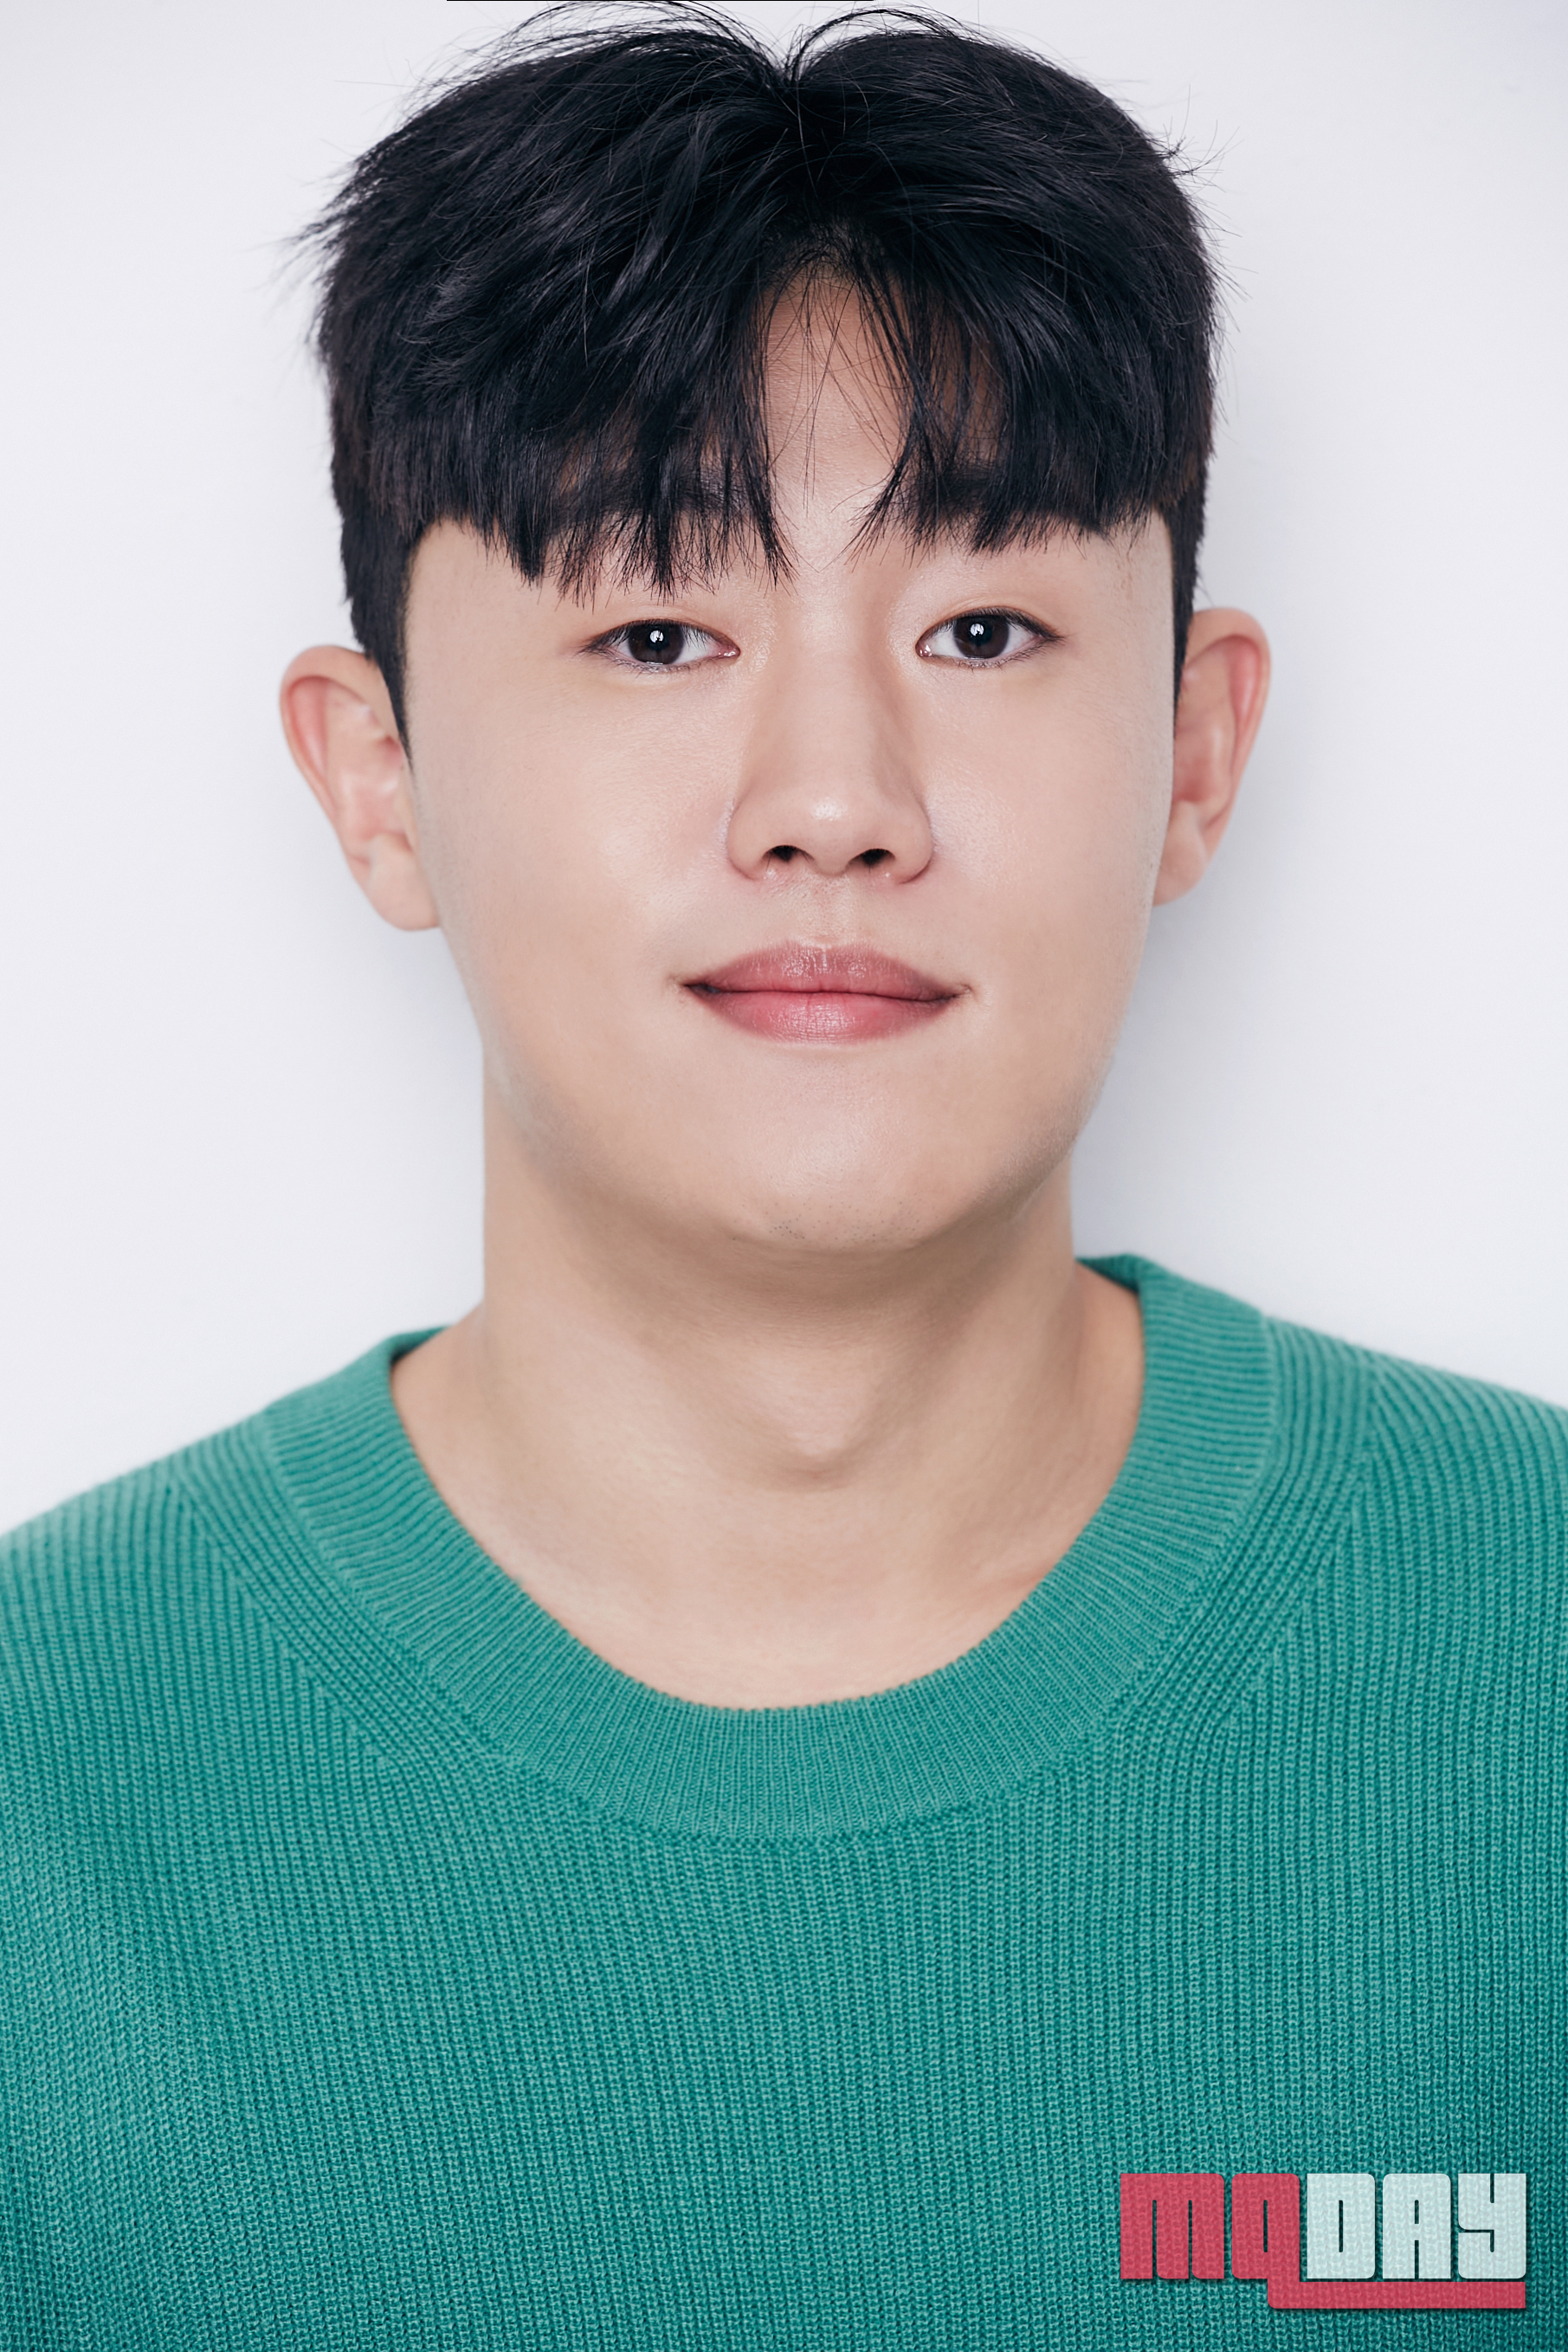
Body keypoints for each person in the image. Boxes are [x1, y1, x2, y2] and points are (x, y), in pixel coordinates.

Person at [2, 7, 1558, 2342]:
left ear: (1193, 749)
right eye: (657, 629)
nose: (833, 799)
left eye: (983, 629)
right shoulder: (43, 1770)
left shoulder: (1528, 1653)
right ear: (378, 780)